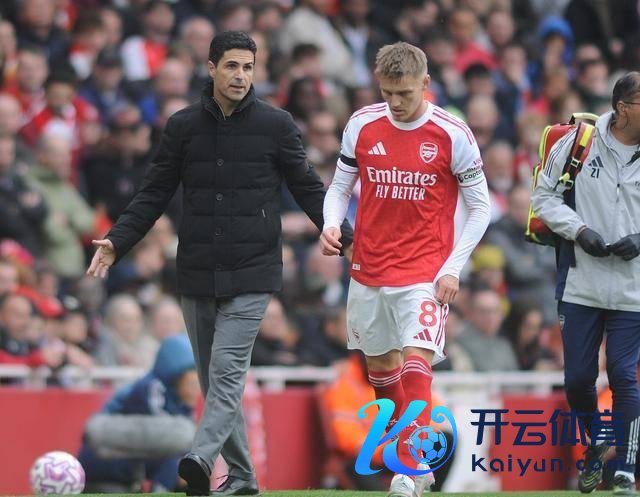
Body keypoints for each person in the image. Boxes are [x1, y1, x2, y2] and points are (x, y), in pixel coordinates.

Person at [87, 31, 352, 496]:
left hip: (254, 269)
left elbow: (308, 184)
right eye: (231, 66)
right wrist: (117, 240)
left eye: (248, 67)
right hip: (197, 270)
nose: (240, 76)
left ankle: (200, 456)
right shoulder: (182, 126)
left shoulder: (276, 124)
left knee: (227, 371)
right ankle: (244, 479)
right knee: (215, 383)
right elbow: (153, 192)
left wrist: (340, 231)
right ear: (211, 68)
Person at [321, 41, 490, 497]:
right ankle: (418, 463)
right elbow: (339, 187)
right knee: (382, 372)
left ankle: (410, 468)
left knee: (417, 362)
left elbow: (481, 208)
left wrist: (453, 268)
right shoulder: (362, 123)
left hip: (425, 272)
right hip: (368, 269)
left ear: (425, 84)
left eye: (405, 93)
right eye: (388, 92)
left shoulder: (452, 134)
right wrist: (332, 224)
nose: (396, 102)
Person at [531, 71, 640, 495]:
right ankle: (597, 441)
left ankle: (626, 469)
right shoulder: (579, 142)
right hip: (581, 282)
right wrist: (579, 230)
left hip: (633, 288)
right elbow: (543, 197)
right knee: (578, 379)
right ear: (622, 107)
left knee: (623, 375)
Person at [78, 334, 200, 492]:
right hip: (103, 455)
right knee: (173, 462)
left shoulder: (179, 402)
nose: (197, 389)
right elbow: (166, 438)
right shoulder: (152, 388)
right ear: (176, 376)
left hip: (130, 455)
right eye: (192, 382)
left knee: (189, 465)